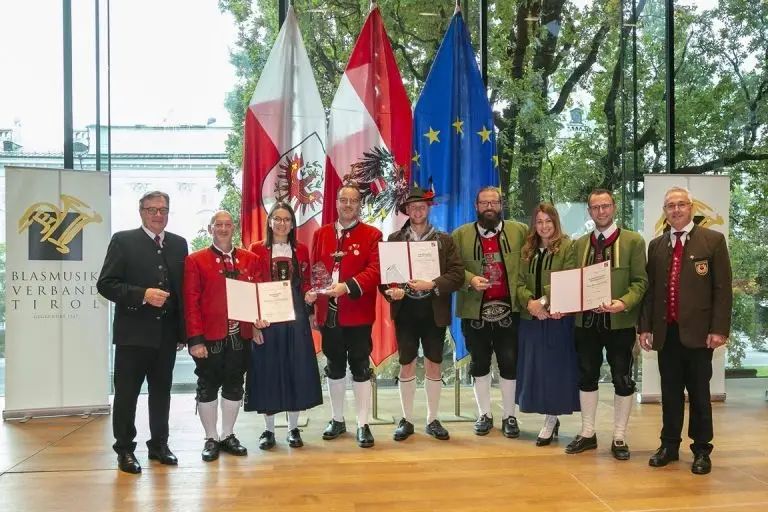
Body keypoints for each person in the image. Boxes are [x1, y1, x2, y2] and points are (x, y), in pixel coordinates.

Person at [639, 186, 732, 475]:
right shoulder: (656, 245)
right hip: (666, 333)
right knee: (670, 393)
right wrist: (645, 328)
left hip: (700, 335)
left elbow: (722, 290)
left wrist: (719, 329)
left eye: (681, 204)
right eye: (670, 206)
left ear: (691, 208)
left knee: (700, 395)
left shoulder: (712, 241)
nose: (676, 210)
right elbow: (650, 292)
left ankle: (702, 449)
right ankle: (669, 446)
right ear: (664, 212)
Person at [97, 191, 187, 474]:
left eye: (163, 209)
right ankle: (124, 449)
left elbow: (183, 292)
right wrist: (142, 294)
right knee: (127, 395)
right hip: (133, 335)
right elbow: (106, 284)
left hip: (166, 336)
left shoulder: (178, 244)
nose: (158, 215)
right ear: (141, 212)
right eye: (152, 210)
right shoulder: (123, 241)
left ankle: (159, 444)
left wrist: (183, 333)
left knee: (162, 394)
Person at [565, 189, 648, 460]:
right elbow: (571, 281)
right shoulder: (578, 245)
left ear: (614, 208)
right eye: (595, 207)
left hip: (620, 322)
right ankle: (588, 433)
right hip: (586, 323)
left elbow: (641, 282)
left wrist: (624, 302)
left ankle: (619, 436)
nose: (601, 212)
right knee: (586, 376)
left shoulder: (633, 241)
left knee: (622, 379)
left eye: (605, 206)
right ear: (589, 211)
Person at [379, 183, 464, 442]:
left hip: (433, 310)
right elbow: (385, 279)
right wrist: (391, 291)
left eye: (422, 207)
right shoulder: (394, 240)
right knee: (406, 364)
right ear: (406, 210)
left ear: (428, 209)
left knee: (433, 363)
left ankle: (433, 418)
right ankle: (406, 419)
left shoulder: (444, 240)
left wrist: (433, 284)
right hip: (405, 310)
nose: (417, 211)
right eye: (413, 207)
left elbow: (457, 275)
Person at [183, 211, 268, 462]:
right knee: (207, 384)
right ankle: (210, 437)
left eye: (227, 225)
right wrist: (195, 339)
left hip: (239, 335)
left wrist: (257, 323)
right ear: (210, 229)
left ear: (235, 228)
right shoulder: (195, 260)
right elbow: (191, 303)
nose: (223, 228)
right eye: (217, 225)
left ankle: (227, 434)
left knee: (234, 383)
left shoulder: (250, 259)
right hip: (209, 337)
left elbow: (257, 295)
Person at [246, 202, 323, 450]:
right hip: (267, 320)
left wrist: (311, 296)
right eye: (277, 219)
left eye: (287, 219)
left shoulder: (301, 249)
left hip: (296, 318)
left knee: (295, 369)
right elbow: (251, 288)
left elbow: (307, 282)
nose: (282, 223)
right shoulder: (256, 249)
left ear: (292, 224)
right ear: (269, 222)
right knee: (268, 370)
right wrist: (253, 325)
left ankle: (293, 428)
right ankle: (268, 431)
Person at [452, 186, 527, 437]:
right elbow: (451, 268)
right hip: (475, 312)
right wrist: (470, 279)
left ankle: (510, 416)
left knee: (509, 363)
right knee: (479, 363)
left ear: (501, 205)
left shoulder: (520, 231)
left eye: (494, 202)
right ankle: (484, 413)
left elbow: (532, 262)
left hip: (510, 311)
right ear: (476, 206)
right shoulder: (460, 235)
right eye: (484, 203)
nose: (489, 207)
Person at [310, 185, 382, 448]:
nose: (348, 204)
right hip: (328, 315)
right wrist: (313, 301)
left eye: (353, 201)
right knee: (334, 366)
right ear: (337, 203)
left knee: (361, 367)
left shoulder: (373, 234)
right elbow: (315, 270)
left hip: (358, 312)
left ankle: (363, 423)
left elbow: (376, 271)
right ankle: (337, 419)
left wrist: (347, 286)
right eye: (343, 200)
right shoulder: (320, 234)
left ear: (359, 204)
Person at [515, 203, 580, 446]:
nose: (544, 226)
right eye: (539, 221)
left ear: (556, 222)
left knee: (554, 370)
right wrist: (530, 303)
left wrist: (543, 302)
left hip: (557, 318)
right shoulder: (528, 249)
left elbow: (570, 276)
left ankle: (551, 419)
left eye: (548, 221)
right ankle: (547, 415)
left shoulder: (567, 246)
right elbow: (519, 282)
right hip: (531, 320)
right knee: (536, 370)